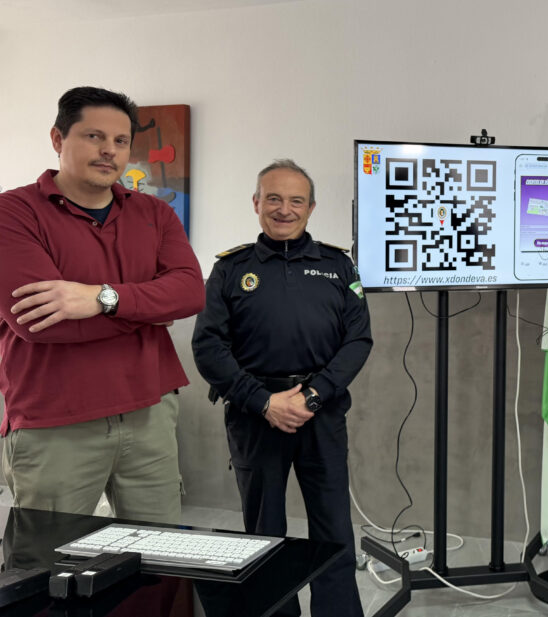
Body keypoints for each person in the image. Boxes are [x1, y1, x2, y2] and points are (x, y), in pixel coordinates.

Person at [0, 86, 205, 524]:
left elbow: (190, 292)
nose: (109, 150)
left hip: (150, 410)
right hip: (55, 421)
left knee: (158, 551)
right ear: (58, 138)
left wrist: (101, 299)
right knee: (48, 557)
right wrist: (149, 310)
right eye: (94, 136)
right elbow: (40, 324)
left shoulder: (155, 213)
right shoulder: (12, 213)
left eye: (121, 140)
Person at [192, 159, 371, 617]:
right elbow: (208, 347)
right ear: (256, 203)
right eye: (273, 198)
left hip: (321, 414)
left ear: (311, 207)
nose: (284, 209)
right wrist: (264, 402)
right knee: (263, 535)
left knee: (333, 530)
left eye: (296, 200)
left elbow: (357, 340)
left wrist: (313, 396)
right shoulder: (230, 269)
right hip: (255, 417)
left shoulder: (337, 265)